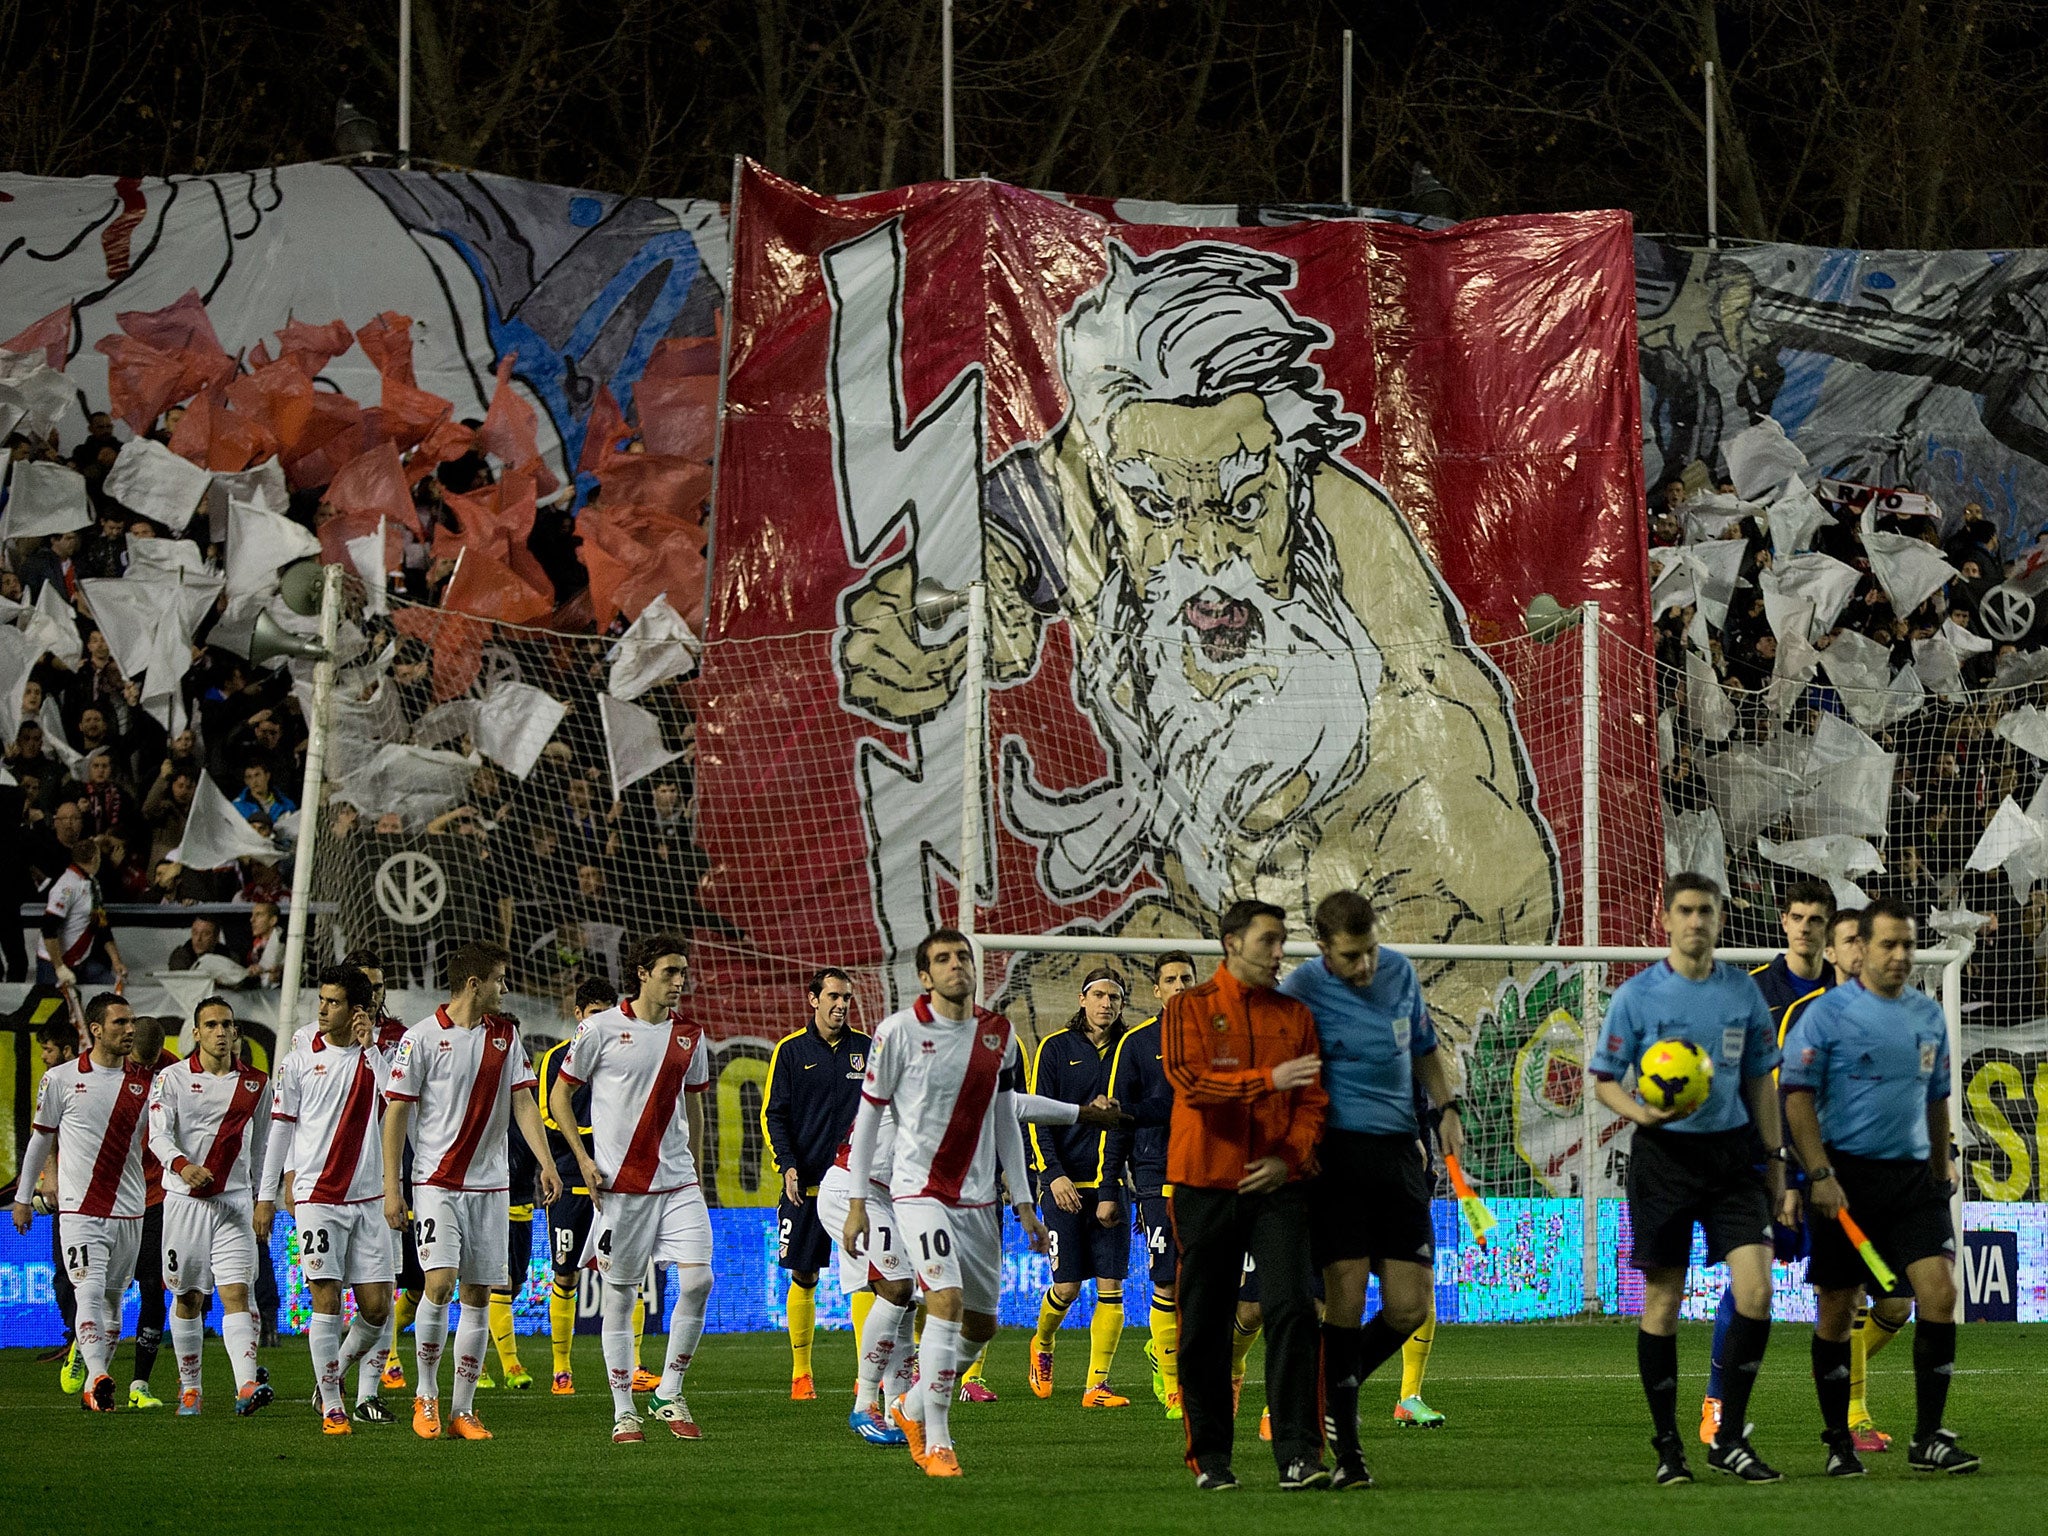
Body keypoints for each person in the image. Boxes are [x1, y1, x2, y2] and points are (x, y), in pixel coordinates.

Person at [1589, 873, 1788, 1486]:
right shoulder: (1636, 996)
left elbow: (1761, 1079)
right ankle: (1668, 1445)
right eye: (1685, 910)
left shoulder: (1742, 994)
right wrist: (1640, 1110)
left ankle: (1728, 1437)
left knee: (1756, 1293)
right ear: (1666, 919)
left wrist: (1777, 1160)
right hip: (1664, 1159)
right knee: (1663, 1301)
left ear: (1720, 918)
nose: (1696, 921)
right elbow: (1602, 1078)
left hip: (1731, 1160)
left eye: (1706, 910)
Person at [841, 929, 1049, 1479]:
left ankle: (909, 1407)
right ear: (925, 976)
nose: (957, 965)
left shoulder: (998, 1032)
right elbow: (867, 1122)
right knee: (945, 1301)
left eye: (963, 957)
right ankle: (938, 1439)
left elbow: (1006, 1118)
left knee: (982, 1328)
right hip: (917, 1191)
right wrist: (859, 1201)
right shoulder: (898, 1032)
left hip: (980, 1199)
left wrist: (1024, 1201)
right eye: (942, 959)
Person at [1783, 898, 1980, 1476]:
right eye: (1888, 944)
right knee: (1837, 1311)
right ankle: (1838, 1444)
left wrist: (1941, 1165)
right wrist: (1818, 1174)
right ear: (1861, 948)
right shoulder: (1825, 1015)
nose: (1899, 955)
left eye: (1907, 945)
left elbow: (1938, 1097)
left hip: (1913, 1178)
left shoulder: (1926, 1015)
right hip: (1845, 1178)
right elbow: (1796, 1098)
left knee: (1939, 1295)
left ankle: (1928, 1439)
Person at [1280, 891, 1465, 1490]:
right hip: (1335, 1156)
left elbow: (1426, 1052)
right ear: (1323, 949)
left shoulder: (1401, 973)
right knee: (1348, 1302)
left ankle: (1334, 1385)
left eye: (1370, 952)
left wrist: (1446, 1109)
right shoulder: (1301, 988)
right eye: (1351, 956)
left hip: (1398, 1154)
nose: (1364, 967)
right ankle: (1350, 1455)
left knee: (1410, 1306)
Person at [1161, 900, 1328, 1492]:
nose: (1280, 952)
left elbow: (1312, 1102)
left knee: (1292, 1308)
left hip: (1279, 1188)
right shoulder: (1188, 1008)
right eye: (1269, 941)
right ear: (1231, 944)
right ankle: (1210, 1459)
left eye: (1283, 940)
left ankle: (1299, 1454)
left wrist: (1288, 1161)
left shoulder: (1296, 1015)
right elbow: (1191, 1083)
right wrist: (1266, 1081)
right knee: (1204, 1324)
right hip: (1204, 1184)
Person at [381, 941, 560, 1441]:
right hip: (437, 1183)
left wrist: (545, 1163)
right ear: (475, 984)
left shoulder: (505, 1036)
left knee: (479, 1294)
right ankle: (426, 1397)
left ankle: (464, 1409)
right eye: (501, 980)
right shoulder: (419, 1039)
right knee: (438, 1285)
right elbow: (396, 1113)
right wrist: (391, 1187)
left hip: (492, 1187)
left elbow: (523, 1101)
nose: (506, 989)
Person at [548, 934, 715, 1446]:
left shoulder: (691, 1035)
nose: (679, 981)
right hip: (621, 1189)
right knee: (619, 1298)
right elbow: (559, 1095)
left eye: (683, 972)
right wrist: (581, 1159)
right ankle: (624, 1412)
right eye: (669, 972)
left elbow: (695, 1107)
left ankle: (669, 1390)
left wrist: (699, 1171)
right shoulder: (598, 1029)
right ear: (642, 973)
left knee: (699, 1281)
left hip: (678, 1182)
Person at [1702, 878, 1836, 1445]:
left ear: (1828, 928)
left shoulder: (1845, 994)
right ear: (1783, 922)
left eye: (1815, 919)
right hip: (1765, 1162)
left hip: (1827, 1162)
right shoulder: (1754, 989)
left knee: (1851, 1295)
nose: (1805, 928)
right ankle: (1716, 1407)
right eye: (1797, 917)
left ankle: (1851, 1417)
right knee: (1748, 1287)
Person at [259, 965, 400, 1432]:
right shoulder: (300, 1058)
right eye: (320, 1000)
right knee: (327, 1300)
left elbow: (400, 1107)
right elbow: (281, 1127)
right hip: (318, 1196)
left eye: (333, 1002)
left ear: (358, 1011)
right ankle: (335, 1406)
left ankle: (328, 1379)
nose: (321, 1009)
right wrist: (268, 1194)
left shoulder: (381, 1056)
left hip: (369, 1197)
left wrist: (373, 1049)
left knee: (378, 1308)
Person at [11, 993, 151, 1412]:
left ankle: (94, 1377)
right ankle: (98, 1375)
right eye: (120, 1023)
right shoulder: (61, 1079)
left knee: (112, 1300)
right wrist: (23, 1196)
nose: (129, 1030)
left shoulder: (147, 1083)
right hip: (79, 1208)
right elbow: (41, 1138)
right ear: (95, 1030)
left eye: (132, 1023)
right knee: (87, 1289)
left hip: (130, 1208)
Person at [148, 993, 273, 1417]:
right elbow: (157, 1135)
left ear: (236, 1032)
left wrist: (263, 1198)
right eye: (213, 1025)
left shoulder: (257, 1082)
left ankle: (246, 1385)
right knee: (188, 1298)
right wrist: (183, 1167)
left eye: (228, 1025)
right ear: (197, 1033)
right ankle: (190, 1388)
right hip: (185, 1204)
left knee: (237, 1292)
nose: (221, 1032)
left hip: (234, 1203)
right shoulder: (173, 1078)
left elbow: (264, 1148)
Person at [536, 976, 659, 1397]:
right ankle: (561, 1368)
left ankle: (636, 1365)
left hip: (617, 1179)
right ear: (577, 1015)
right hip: (573, 1178)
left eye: (607, 1013)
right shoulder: (556, 1059)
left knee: (628, 1275)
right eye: (593, 1014)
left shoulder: (621, 1051)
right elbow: (549, 1115)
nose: (601, 1021)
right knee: (566, 1273)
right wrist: (592, 1145)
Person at [1027, 966, 1135, 1407]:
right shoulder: (1054, 1049)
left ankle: (1097, 1385)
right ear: (1081, 999)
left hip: (1112, 1185)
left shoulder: (1131, 1050)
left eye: (1115, 997)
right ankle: (1043, 1344)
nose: (1107, 1003)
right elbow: (1036, 1115)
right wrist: (1052, 1175)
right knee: (1068, 1288)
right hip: (1063, 1185)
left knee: (1112, 1286)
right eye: (1099, 995)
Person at [761, 966, 871, 1402]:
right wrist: (786, 1165)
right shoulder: (789, 1051)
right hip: (803, 1188)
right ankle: (802, 1374)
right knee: (804, 1276)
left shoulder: (867, 1049)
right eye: (833, 997)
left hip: (853, 1190)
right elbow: (774, 1115)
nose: (841, 1004)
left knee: (866, 1280)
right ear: (813, 1000)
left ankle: (869, 1374)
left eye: (847, 998)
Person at [1105, 950, 1197, 1420]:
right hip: (1156, 1173)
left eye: (1186, 978)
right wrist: (1107, 1189)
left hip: (1209, 1172)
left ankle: (1180, 1363)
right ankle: (1175, 1384)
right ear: (1157, 990)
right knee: (1166, 1278)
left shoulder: (1217, 1037)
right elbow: (1119, 1118)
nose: (1179, 985)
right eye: (1170, 979)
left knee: (1205, 1283)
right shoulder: (1139, 1044)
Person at [122, 1015, 174, 1410]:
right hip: (112, 1198)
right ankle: (85, 1353)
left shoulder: (172, 1072)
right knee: (104, 1289)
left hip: (157, 1198)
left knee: (153, 1289)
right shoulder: (108, 1070)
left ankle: (140, 1382)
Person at [39, 833, 128, 992]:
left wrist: (116, 960)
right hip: (54, 964)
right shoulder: (67, 887)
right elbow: (48, 927)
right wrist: (59, 967)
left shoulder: (93, 884)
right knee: (52, 1009)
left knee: (110, 990)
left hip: (80, 961)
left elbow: (101, 924)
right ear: (95, 858)